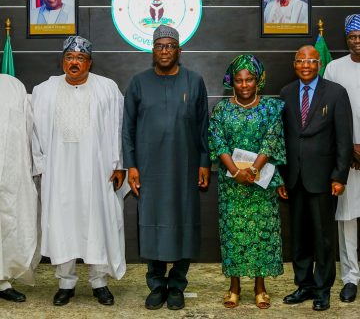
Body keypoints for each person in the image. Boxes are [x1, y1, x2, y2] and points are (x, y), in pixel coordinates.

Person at [32, 36, 129, 306]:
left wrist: (120, 164)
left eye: (80, 58)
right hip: (59, 172)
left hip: (97, 172)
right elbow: (34, 134)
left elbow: (120, 128)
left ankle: (99, 282)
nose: (74, 63)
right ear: (63, 60)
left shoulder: (107, 89)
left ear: (90, 62)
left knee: (97, 221)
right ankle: (65, 283)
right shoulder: (44, 91)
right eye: (69, 58)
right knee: (62, 223)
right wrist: (41, 166)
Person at [122, 25, 210, 311]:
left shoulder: (194, 82)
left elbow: (203, 128)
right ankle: (157, 284)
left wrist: (204, 163)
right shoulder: (138, 83)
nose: (164, 51)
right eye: (159, 46)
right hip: (149, 169)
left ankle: (177, 284)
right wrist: (131, 165)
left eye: (170, 46)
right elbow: (128, 129)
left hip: (184, 169)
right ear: (152, 50)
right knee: (153, 226)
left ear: (179, 51)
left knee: (184, 223)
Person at [208, 55, 286, 309]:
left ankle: (260, 287)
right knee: (233, 235)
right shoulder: (222, 110)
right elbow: (217, 142)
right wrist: (235, 171)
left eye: (249, 79)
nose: (244, 85)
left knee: (262, 235)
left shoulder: (272, 108)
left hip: (261, 183)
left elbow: (271, 140)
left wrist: (252, 170)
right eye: (239, 80)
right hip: (232, 186)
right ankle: (234, 287)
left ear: (258, 80)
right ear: (232, 81)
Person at [279, 45, 353, 311]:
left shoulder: (335, 93)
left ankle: (323, 290)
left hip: (323, 180)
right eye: (301, 60)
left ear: (319, 63)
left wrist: (339, 176)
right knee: (299, 236)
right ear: (295, 63)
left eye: (311, 61)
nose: (306, 65)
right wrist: (282, 176)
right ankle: (304, 285)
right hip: (295, 179)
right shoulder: (286, 93)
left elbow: (344, 139)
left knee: (323, 237)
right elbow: (283, 138)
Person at [324, 14, 360, 303]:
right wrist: (348, 149)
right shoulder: (334, 68)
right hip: (347, 158)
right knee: (346, 219)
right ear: (346, 38)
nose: (357, 40)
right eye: (352, 36)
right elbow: (326, 114)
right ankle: (351, 277)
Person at [0, 74, 40, 302]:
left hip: (9, 174)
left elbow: (30, 126)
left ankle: (2, 281)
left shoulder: (12, 86)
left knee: (6, 227)